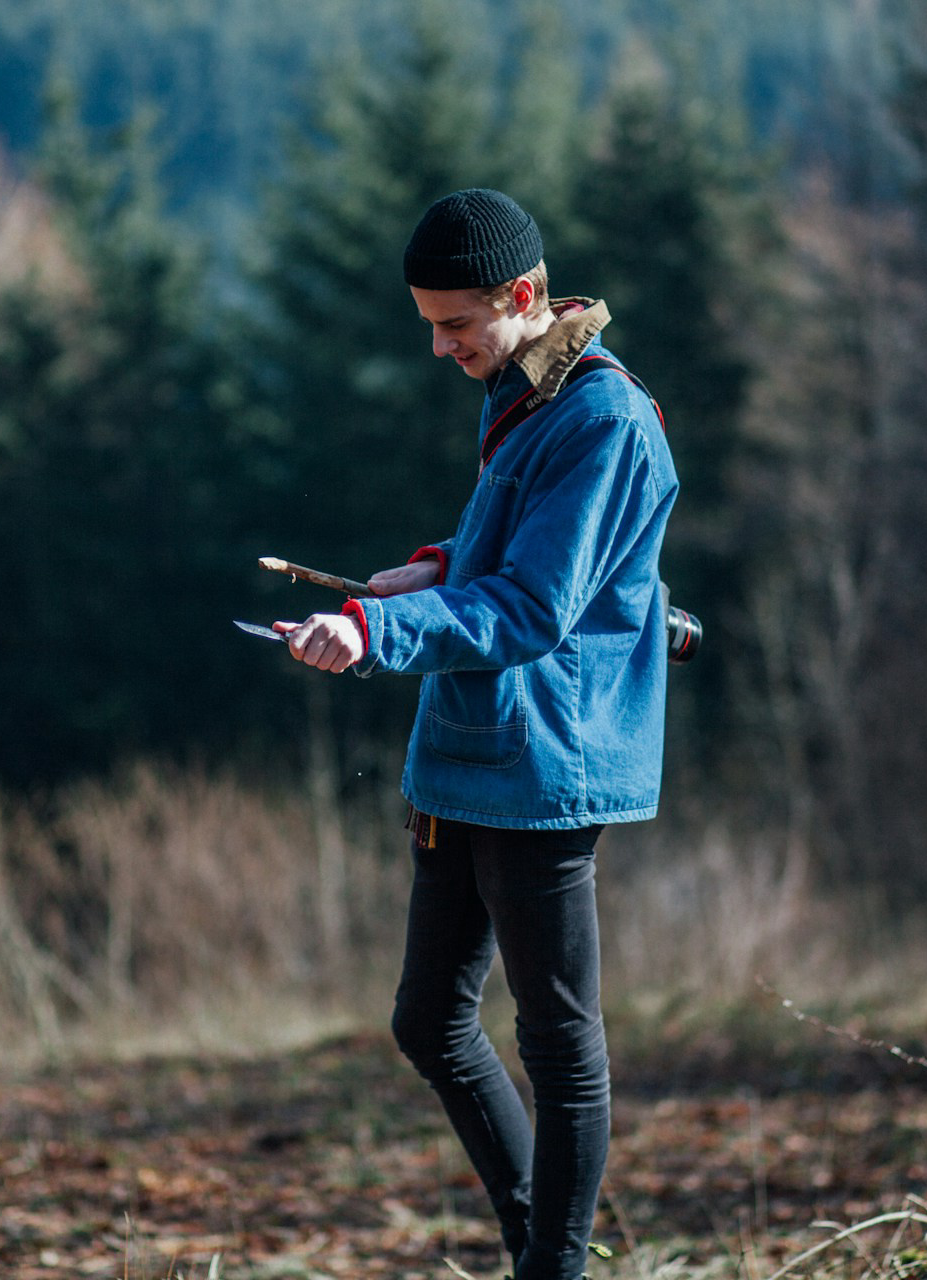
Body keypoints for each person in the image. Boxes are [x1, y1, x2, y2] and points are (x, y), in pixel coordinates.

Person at [275, 188, 678, 1280]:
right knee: (430, 1023)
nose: (440, 347)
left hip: (547, 763)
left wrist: (374, 626)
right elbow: (503, 549)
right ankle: (539, 1246)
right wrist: (432, 567)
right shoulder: (516, 387)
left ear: (528, 295)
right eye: (428, 324)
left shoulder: (606, 419)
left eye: (456, 323)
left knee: (557, 1045)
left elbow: (531, 611)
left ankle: (554, 1264)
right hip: (468, 753)